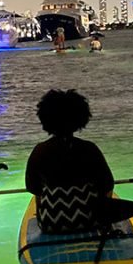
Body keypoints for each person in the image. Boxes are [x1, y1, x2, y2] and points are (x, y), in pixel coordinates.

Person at [25, 89, 114, 233]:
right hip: (91, 221)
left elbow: (33, 188)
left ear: (45, 119)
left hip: (52, 223)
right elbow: (107, 185)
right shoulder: (89, 149)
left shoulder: (39, 151)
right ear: (81, 118)